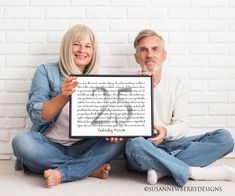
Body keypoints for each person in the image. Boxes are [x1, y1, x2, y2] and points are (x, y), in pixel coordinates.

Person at [12, 24, 125, 188]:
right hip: (48, 147)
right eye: (76, 44)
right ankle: (87, 168)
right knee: (21, 142)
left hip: (84, 147)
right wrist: (64, 96)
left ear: (93, 52)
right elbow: (36, 115)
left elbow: (103, 124)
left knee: (124, 137)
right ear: (67, 46)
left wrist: (112, 131)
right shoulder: (45, 71)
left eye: (88, 46)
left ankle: (67, 171)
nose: (82, 50)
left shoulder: (99, 81)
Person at [125, 29, 235, 187]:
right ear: (137, 57)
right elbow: (128, 129)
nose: (149, 54)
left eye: (155, 49)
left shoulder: (177, 84)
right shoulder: (125, 84)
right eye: (144, 50)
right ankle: (194, 172)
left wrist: (166, 131)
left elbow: (182, 124)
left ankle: (161, 168)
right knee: (133, 145)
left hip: (172, 142)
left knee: (224, 138)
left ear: (164, 55)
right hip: (144, 145)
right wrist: (140, 88)